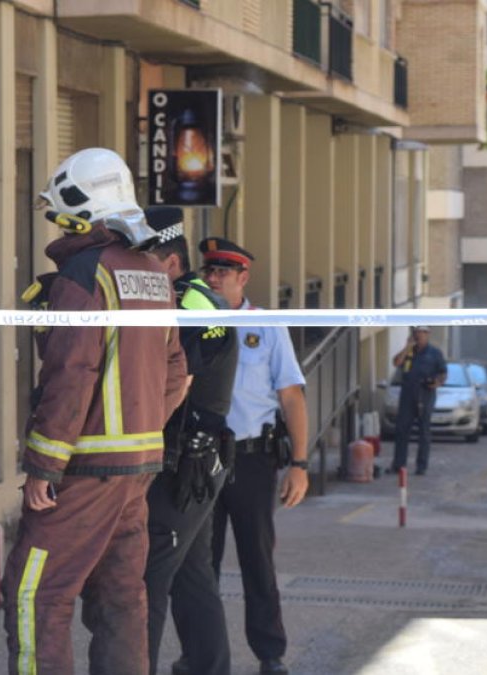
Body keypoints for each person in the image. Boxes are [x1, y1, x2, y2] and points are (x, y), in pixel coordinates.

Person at [2, 148, 187, 675]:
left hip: (84, 470)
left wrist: (44, 465)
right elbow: (175, 371)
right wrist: (140, 429)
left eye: (58, 214)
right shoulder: (154, 272)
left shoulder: (85, 273)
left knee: (36, 594)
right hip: (136, 470)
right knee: (120, 600)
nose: (56, 225)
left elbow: (71, 375)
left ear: (79, 208)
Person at [198, 237, 309, 675]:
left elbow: (292, 396)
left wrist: (300, 465)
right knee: (199, 566)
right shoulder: (191, 320)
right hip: (202, 460)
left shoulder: (266, 325)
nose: (213, 279)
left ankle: (270, 654)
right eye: (209, 270)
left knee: (257, 560)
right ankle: (201, 655)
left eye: (222, 272)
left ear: (243, 277)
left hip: (250, 459)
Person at [139, 207, 237, 675]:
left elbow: (178, 381)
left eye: (146, 263)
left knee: (147, 576)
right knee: (192, 576)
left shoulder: (196, 304)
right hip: (190, 460)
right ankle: (206, 666)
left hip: (187, 465)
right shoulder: (182, 299)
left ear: (171, 262)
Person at [390, 326, 447, 475]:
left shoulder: (435, 353)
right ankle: (399, 464)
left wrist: (437, 382)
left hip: (425, 393)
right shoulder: (409, 351)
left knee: (424, 431)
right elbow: (396, 363)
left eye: (421, 333)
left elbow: (443, 373)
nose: (418, 336)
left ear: (427, 334)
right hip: (408, 393)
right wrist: (407, 347)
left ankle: (421, 466)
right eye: (416, 333)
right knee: (402, 429)